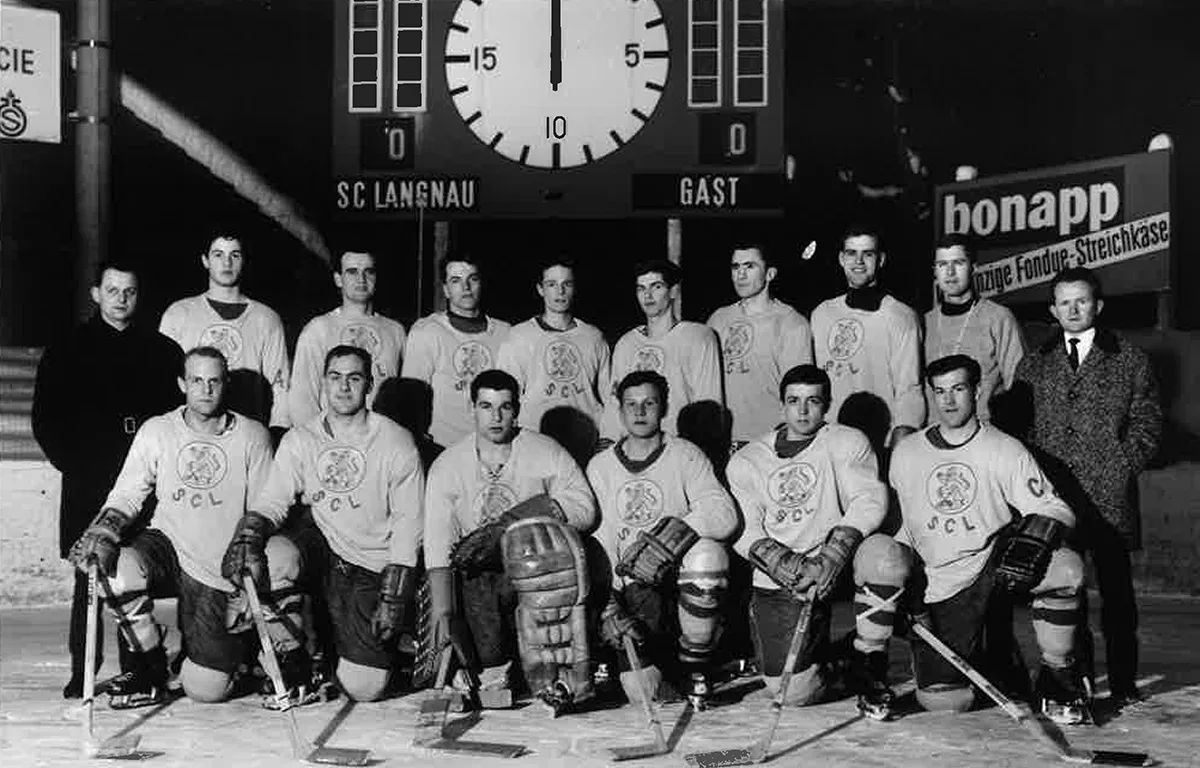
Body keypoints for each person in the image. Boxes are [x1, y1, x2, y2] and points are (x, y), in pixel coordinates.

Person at [65, 347, 287, 708]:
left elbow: (264, 506)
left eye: (214, 381)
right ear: (183, 383)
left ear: (225, 384)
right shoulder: (158, 430)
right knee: (115, 571)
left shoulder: (252, 435)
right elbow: (127, 493)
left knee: (206, 689)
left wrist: (251, 568)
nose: (206, 389)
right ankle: (154, 662)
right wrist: (102, 531)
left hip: (217, 563)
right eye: (197, 380)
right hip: (166, 544)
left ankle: (231, 653)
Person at [890, 354, 1090, 724]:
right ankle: (996, 662)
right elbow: (899, 529)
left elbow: (1055, 507)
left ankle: (1057, 675)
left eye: (959, 389)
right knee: (948, 702)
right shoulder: (906, 452)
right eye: (940, 392)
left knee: (1065, 569)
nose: (948, 401)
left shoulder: (1004, 448)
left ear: (977, 390)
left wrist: (1031, 542)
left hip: (989, 572)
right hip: (935, 586)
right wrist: (899, 586)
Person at [228, 345, 426, 702]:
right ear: (323, 382)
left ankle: (351, 647)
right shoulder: (302, 438)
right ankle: (295, 660)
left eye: (354, 378)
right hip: (321, 550)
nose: (344, 387)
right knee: (273, 557)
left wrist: (397, 588)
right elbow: (274, 499)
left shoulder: (396, 441)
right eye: (335, 377)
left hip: (370, 563)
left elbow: (409, 521)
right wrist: (250, 533)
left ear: (369, 384)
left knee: (364, 688)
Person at [32, 260, 182, 699]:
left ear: (139, 295)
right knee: (90, 579)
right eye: (113, 290)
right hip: (89, 481)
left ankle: (139, 668)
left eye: (129, 291)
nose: (121, 299)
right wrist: (77, 466)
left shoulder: (163, 350)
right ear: (97, 293)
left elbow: (174, 421)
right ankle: (84, 669)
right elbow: (47, 420)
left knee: (131, 577)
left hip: (143, 485)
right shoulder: (66, 348)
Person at [1012, 268, 1162, 708]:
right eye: (1064, 303)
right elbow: (1021, 427)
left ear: (1098, 305)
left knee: (1117, 597)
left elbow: (1149, 422)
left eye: (1082, 301)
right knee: (1065, 589)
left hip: (1109, 497)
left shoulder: (1129, 358)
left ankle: (1123, 681)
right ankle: (1075, 678)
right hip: (1057, 500)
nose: (1073, 310)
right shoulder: (1034, 363)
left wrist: (1122, 462)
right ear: (1053, 310)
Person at [728, 365, 908, 720]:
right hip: (786, 576)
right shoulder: (747, 460)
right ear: (782, 405)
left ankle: (870, 665)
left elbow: (869, 500)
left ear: (826, 405)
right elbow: (743, 530)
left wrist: (833, 553)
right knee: (793, 691)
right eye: (794, 401)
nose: (803, 410)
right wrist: (782, 563)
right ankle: (843, 658)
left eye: (813, 401)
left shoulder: (847, 441)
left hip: (839, 564)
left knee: (883, 556)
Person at [423, 369, 597, 716]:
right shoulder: (449, 464)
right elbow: (437, 542)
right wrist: (442, 615)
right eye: (486, 406)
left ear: (517, 410)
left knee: (550, 553)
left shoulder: (544, 450)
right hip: (482, 582)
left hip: (538, 574)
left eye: (505, 407)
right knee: (470, 565)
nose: (496, 416)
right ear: (472, 408)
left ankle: (558, 670)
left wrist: (516, 522)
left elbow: (585, 508)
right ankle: (493, 667)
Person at [588, 371, 738, 710]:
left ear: (665, 407)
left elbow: (723, 514)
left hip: (676, 587)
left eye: (649, 403)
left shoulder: (684, 454)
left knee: (709, 554)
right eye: (631, 405)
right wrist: (610, 603)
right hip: (633, 591)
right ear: (620, 411)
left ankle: (697, 664)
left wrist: (666, 540)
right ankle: (669, 672)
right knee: (644, 691)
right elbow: (599, 543)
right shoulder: (600, 467)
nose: (640, 412)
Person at [159, 233, 290, 432]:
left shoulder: (266, 318)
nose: (227, 262)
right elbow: (163, 380)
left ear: (244, 260)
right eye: (218, 254)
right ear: (205, 260)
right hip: (189, 433)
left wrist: (278, 431)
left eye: (235, 255)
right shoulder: (179, 314)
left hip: (247, 431)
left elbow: (280, 385)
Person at [810, 225, 924, 449]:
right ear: (841, 259)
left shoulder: (901, 316)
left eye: (867, 254)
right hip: (827, 438)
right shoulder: (821, 314)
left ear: (880, 260)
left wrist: (903, 433)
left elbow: (909, 386)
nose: (858, 262)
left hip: (879, 440)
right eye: (851, 253)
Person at [601, 259, 722, 442]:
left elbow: (709, 404)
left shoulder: (698, 337)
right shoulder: (626, 343)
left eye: (656, 287)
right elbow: (614, 404)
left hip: (679, 448)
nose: (647, 295)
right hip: (634, 450)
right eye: (641, 289)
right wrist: (607, 440)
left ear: (672, 291)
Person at [496, 255, 610, 451]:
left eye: (567, 284)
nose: (560, 291)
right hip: (535, 442)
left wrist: (609, 435)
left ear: (575, 288)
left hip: (585, 442)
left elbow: (610, 395)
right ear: (540, 289)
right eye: (552, 284)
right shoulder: (520, 336)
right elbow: (505, 395)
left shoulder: (593, 337)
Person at [707, 243, 813, 451]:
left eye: (749, 266)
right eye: (735, 267)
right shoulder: (718, 320)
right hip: (723, 442)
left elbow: (799, 392)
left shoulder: (791, 323)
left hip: (768, 442)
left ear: (770, 273)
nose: (741, 275)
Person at [401, 254, 512, 448]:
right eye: (456, 280)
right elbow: (411, 396)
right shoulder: (427, 330)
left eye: (473, 279)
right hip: (442, 447)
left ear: (482, 283)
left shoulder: (505, 332)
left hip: (493, 447)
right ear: (445, 289)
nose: (466, 287)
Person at [289, 248, 406, 427]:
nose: (361, 279)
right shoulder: (319, 328)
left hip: (382, 439)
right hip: (334, 439)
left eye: (369, 271)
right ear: (338, 279)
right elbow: (302, 397)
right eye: (352, 272)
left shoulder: (395, 330)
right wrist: (316, 441)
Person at [924, 234, 1024, 423]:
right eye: (943, 265)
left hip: (984, 432)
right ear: (935, 272)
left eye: (959, 263)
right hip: (934, 434)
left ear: (973, 268)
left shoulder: (998, 317)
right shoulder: (924, 322)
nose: (950, 272)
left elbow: (1018, 384)